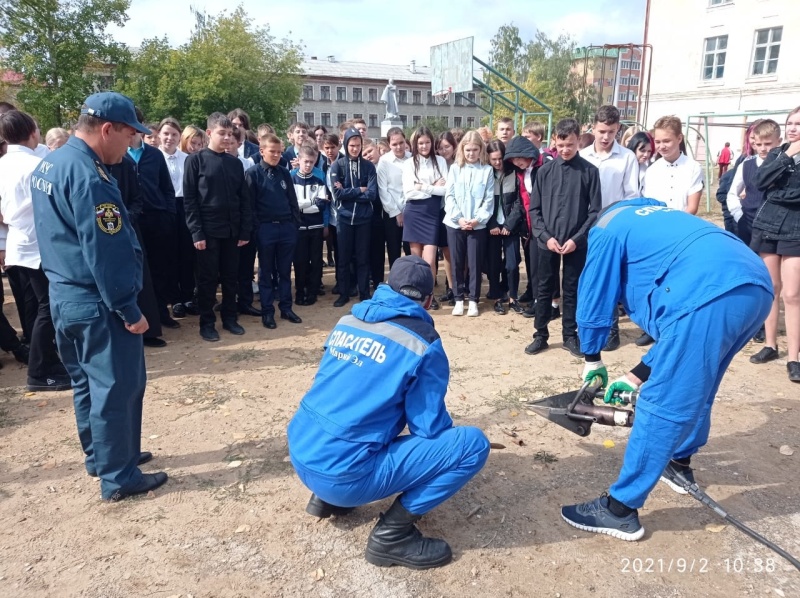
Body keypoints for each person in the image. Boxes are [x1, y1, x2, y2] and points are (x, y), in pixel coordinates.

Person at [562, 198, 773, 540]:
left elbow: (594, 291)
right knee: (699, 385)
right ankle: (677, 464)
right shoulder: (659, 216)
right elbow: (680, 329)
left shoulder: (606, 227)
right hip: (754, 287)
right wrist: (635, 375)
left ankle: (620, 510)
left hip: (705, 294)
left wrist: (592, 357)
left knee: (661, 404)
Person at [287, 255, 490, 569]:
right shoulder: (423, 343)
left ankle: (325, 498)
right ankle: (392, 536)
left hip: (302, 452)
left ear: (386, 287)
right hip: (342, 475)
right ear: (429, 300)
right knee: (472, 445)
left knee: (357, 409)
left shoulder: (347, 321)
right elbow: (428, 428)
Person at [30, 91, 167, 501]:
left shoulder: (52, 163)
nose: (130, 145)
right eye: (128, 136)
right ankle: (119, 477)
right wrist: (128, 307)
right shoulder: (91, 177)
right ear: (107, 129)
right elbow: (104, 251)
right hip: (97, 302)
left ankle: (105, 455)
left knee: (87, 384)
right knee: (116, 387)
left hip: (64, 295)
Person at [0, 110, 69, 390]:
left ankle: (48, 362)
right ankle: (39, 371)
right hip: (38, 246)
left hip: (17, 241)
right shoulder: (37, 165)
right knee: (49, 308)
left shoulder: (3, 164)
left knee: (37, 308)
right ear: (33, 132)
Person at [526, 118, 602, 358]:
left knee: (572, 289)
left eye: (570, 145)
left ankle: (570, 334)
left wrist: (577, 239)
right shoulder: (544, 171)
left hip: (575, 243)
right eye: (561, 146)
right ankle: (541, 334)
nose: (565, 150)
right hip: (547, 242)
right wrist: (545, 236)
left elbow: (594, 211)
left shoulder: (590, 171)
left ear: (578, 140)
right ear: (554, 143)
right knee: (544, 288)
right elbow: (534, 210)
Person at [183, 112, 253, 341]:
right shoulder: (195, 160)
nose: (226, 138)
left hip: (232, 231)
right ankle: (207, 323)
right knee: (207, 279)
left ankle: (230, 318)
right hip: (208, 231)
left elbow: (243, 199)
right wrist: (196, 232)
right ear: (210, 133)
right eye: (221, 133)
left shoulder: (234, 163)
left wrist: (244, 230)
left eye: (230, 134)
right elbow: (190, 200)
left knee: (231, 277)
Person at [580, 105, 640, 352]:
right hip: (585, 226)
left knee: (612, 277)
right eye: (602, 131)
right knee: (587, 277)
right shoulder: (582, 156)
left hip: (613, 226)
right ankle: (586, 325)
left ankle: (611, 327)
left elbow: (631, 195)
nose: (606, 137)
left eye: (612, 132)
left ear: (618, 130)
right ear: (593, 128)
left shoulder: (626, 157)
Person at [750, 107, 800, 382]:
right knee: (771, 288)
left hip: (796, 229)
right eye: (790, 123)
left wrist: (779, 193)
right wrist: (788, 154)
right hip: (769, 227)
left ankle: (795, 357)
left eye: (798, 124)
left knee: (792, 295)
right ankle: (771, 344)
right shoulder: (779, 153)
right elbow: (760, 181)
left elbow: (788, 193)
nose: (793, 128)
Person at [128, 108, 180, 331]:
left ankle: (161, 313)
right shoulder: (119, 156)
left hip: (157, 220)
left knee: (160, 269)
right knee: (137, 271)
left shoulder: (154, 155)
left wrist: (167, 213)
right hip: (132, 222)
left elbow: (167, 188)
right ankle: (139, 316)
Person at [245, 133, 302, 328]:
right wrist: (257, 228)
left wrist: (294, 224)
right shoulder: (252, 173)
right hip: (265, 228)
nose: (277, 155)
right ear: (262, 151)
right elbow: (249, 205)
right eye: (272, 152)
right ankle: (268, 311)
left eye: (279, 152)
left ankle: (286, 308)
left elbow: (292, 201)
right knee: (266, 271)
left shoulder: (284, 173)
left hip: (286, 227)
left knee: (285, 271)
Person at [442, 132, 494, 317]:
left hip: (476, 225)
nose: (471, 153)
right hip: (455, 224)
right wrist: (459, 218)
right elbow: (450, 196)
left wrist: (477, 219)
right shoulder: (455, 169)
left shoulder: (487, 171)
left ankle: (473, 299)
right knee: (456, 262)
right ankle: (458, 298)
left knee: (474, 263)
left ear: (481, 150)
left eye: (475, 150)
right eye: (468, 150)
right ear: (462, 150)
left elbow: (488, 200)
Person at [402, 126, 448, 309]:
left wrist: (423, 187)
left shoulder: (441, 161)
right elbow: (409, 192)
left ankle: (430, 295)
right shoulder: (409, 164)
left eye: (427, 142)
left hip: (432, 213)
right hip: (413, 212)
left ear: (432, 142)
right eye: (420, 143)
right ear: (415, 144)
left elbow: (445, 190)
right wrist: (432, 187)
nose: (424, 146)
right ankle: (417, 294)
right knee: (416, 259)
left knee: (429, 260)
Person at [330, 127, 377, 306]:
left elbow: (372, 194)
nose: (355, 149)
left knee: (363, 258)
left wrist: (348, 191)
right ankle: (343, 293)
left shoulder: (368, 166)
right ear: (346, 144)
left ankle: (364, 293)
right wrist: (359, 190)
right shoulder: (337, 165)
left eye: (358, 145)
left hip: (364, 219)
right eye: (351, 145)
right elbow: (337, 193)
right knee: (343, 258)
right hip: (344, 218)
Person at [486, 139, 525, 315]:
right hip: (492, 226)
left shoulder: (514, 173)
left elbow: (519, 201)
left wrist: (510, 223)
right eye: (493, 159)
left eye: (500, 158)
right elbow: (483, 201)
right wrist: (492, 223)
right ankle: (496, 297)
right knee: (493, 264)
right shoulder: (486, 174)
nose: (497, 162)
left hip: (510, 226)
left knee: (512, 264)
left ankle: (513, 297)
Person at [291, 143, 329, 306]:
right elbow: (292, 204)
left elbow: (321, 204)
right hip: (298, 227)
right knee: (300, 261)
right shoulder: (291, 178)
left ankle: (312, 292)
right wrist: (310, 202)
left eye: (311, 162)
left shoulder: (318, 179)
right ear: (298, 160)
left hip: (316, 226)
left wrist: (303, 204)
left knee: (315, 259)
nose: (308, 165)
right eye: (305, 161)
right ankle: (300, 291)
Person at [642, 116, 704, 215]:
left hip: (682, 224)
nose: (661, 146)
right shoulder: (652, 170)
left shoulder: (693, 168)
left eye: (666, 141)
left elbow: (692, 207)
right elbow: (648, 204)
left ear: (679, 138)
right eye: (657, 142)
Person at [377, 127, 410, 269]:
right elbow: (383, 190)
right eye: (394, 144)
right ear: (389, 144)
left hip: (411, 210)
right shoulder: (384, 162)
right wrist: (396, 212)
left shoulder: (412, 158)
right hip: (391, 212)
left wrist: (407, 210)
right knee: (393, 248)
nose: (398, 147)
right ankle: (395, 279)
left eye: (401, 143)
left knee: (410, 248)